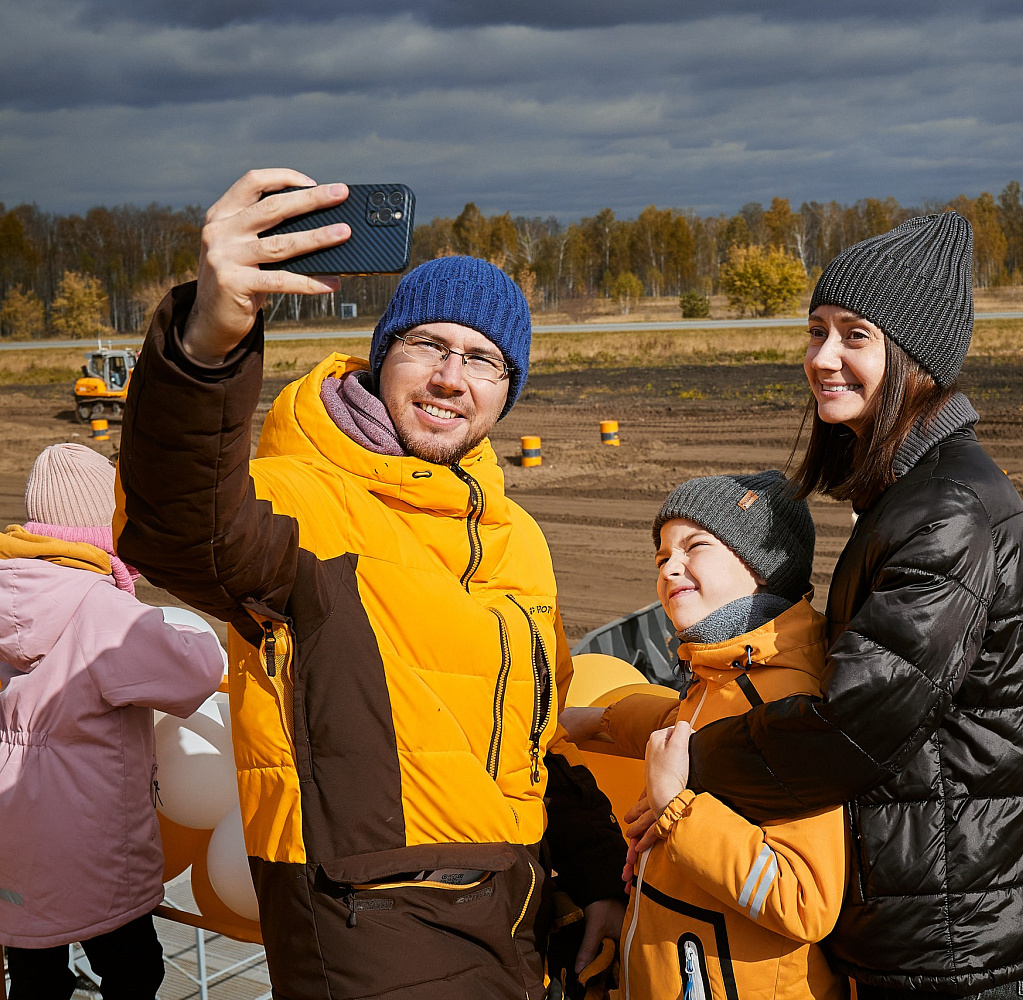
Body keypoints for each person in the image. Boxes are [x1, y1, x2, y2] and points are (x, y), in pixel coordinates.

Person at [114, 170, 626, 999]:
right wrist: (204, 349)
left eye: (483, 359)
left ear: (508, 388)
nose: (451, 377)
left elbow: (534, 735)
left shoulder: (517, 537)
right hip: (367, 918)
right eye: (428, 344)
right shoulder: (303, 494)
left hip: (513, 910)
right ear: (384, 353)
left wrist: (597, 874)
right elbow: (179, 530)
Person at [634, 213, 1023, 999]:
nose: (822, 359)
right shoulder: (910, 494)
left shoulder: (944, 510)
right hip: (943, 906)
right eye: (815, 332)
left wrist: (689, 767)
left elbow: (855, 724)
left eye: (853, 337)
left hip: (956, 933)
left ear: (915, 360)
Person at [563, 471, 847, 1000]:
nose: (670, 567)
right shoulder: (727, 679)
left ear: (765, 566)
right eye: (661, 557)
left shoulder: (786, 704)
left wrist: (675, 807)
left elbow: (804, 897)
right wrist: (591, 722)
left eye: (696, 546)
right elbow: (683, 730)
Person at [0, 443, 226, 1000]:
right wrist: (191, 628)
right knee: (135, 971)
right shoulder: (102, 612)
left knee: (33, 976)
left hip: (12, 835)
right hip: (92, 846)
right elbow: (196, 671)